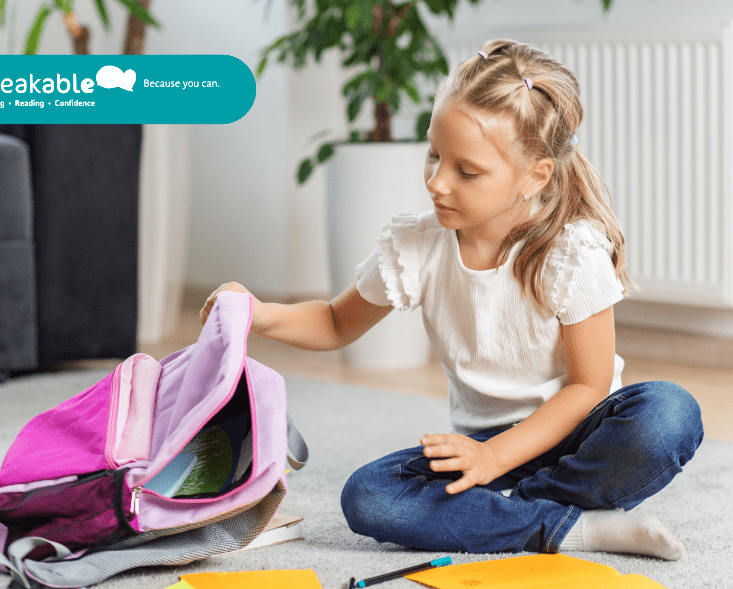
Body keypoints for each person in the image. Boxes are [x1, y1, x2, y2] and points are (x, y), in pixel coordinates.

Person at [200, 39, 703, 559]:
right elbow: (333, 322)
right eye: (434, 155)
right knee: (370, 497)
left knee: (669, 414)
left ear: (535, 177)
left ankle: (514, 516)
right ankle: (577, 528)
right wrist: (257, 313)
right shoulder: (416, 245)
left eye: (466, 171)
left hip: (578, 433)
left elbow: (588, 386)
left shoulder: (571, 252)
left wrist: (495, 462)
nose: (437, 182)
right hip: (481, 447)